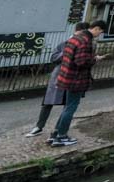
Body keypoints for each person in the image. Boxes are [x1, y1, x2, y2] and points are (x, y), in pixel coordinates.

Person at [24, 22, 89, 140]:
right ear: (79, 31)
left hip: (71, 78)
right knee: (48, 102)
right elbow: (54, 57)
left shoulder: (84, 44)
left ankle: (57, 130)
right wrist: (68, 52)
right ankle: (39, 126)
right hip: (58, 76)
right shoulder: (65, 44)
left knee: (67, 105)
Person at [51, 19, 107, 147]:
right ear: (96, 28)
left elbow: (68, 56)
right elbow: (81, 62)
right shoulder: (86, 41)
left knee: (67, 107)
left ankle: (55, 134)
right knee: (71, 107)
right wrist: (95, 59)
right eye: (101, 32)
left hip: (66, 76)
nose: (99, 34)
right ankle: (61, 136)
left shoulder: (76, 38)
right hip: (75, 79)